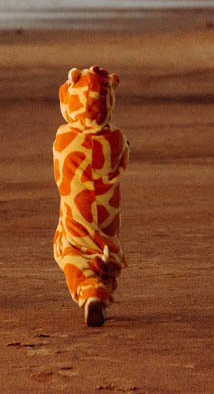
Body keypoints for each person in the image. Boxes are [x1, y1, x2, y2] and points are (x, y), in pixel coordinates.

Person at [52, 66, 128, 327]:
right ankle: (102, 292)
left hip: (77, 213)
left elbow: (59, 172)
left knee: (71, 251)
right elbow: (122, 162)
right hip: (108, 215)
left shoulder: (63, 138)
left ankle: (90, 294)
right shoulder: (116, 139)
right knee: (105, 248)